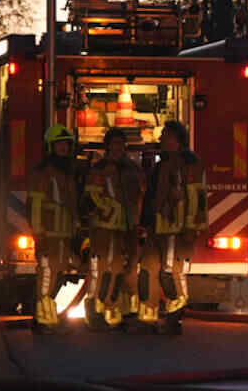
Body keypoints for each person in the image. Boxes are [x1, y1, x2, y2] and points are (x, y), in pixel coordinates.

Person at [137, 120, 206, 334]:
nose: (160, 139)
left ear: (177, 140)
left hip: (177, 231)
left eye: (165, 135)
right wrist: (146, 224)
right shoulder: (162, 165)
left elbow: (196, 198)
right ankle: (147, 318)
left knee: (171, 274)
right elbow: (152, 198)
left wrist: (190, 228)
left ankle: (174, 319)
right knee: (147, 270)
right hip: (158, 230)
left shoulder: (190, 164)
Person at [83, 127, 144, 328]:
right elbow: (91, 198)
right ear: (107, 146)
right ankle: (95, 311)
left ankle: (121, 311)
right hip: (104, 229)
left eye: (121, 144)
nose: (118, 147)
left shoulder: (133, 170)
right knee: (102, 269)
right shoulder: (99, 170)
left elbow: (141, 195)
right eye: (114, 144)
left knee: (127, 269)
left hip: (128, 228)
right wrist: (107, 210)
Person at [28, 124, 81, 328]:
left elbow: (72, 204)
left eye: (66, 145)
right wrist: (38, 232)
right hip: (48, 234)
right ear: (50, 147)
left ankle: (48, 314)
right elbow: (35, 204)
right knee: (47, 274)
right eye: (59, 145)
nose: (64, 149)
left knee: (58, 274)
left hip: (64, 235)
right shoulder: (43, 173)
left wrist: (75, 229)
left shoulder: (68, 173)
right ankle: (42, 318)